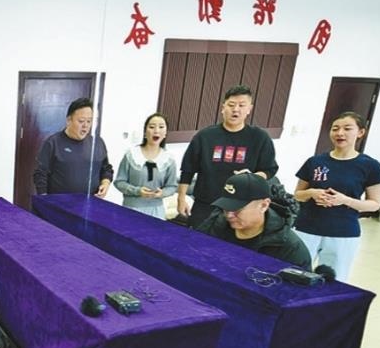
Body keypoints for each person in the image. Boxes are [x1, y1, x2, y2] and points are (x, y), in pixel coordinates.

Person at [293, 112, 380, 282]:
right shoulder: (315, 161)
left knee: (334, 280)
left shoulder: (370, 166)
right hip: (306, 227)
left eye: (347, 129)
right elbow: (297, 195)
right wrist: (312, 193)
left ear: (360, 132)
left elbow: (374, 204)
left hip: (343, 232)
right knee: (295, 275)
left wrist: (345, 200)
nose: (340, 133)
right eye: (335, 129)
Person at [178, 85, 278, 228]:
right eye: (231, 105)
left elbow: (269, 169)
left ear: (249, 109)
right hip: (206, 204)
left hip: (241, 207)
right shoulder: (205, 136)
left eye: (241, 105)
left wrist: (252, 177)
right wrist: (181, 198)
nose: (235, 109)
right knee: (198, 240)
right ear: (223, 107)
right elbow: (188, 169)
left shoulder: (260, 137)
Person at [197, 173, 311, 268]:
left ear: (264, 205)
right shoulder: (214, 225)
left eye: (237, 209)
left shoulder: (290, 249)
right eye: (225, 208)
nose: (229, 215)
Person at [33, 97, 113, 198]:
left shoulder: (97, 143)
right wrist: (44, 199)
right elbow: (40, 174)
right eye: (81, 121)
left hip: (91, 203)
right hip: (60, 204)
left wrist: (105, 183)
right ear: (69, 120)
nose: (85, 126)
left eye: (89, 121)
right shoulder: (53, 143)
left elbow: (106, 169)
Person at [114, 113, 178, 219]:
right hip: (131, 209)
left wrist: (162, 193)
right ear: (145, 132)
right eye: (152, 127)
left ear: (165, 133)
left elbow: (172, 186)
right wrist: (137, 191)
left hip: (156, 211)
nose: (156, 131)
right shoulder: (131, 154)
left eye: (161, 127)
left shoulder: (169, 159)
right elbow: (119, 182)